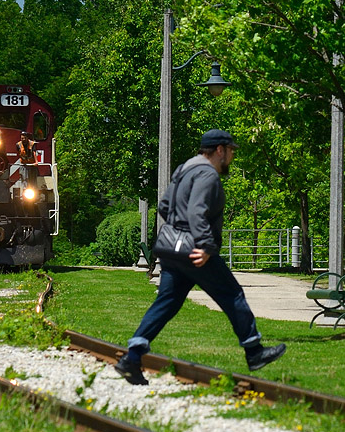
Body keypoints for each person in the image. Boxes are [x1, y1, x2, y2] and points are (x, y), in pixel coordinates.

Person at [113, 129, 286, 385]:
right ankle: (254, 351)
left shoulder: (185, 169)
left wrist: (177, 225)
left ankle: (133, 357)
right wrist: (205, 245)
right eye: (231, 151)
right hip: (195, 250)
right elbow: (197, 212)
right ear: (220, 150)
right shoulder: (207, 174)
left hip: (171, 249)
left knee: (167, 303)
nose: (232, 156)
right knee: (232, 294)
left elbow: (163, 206)